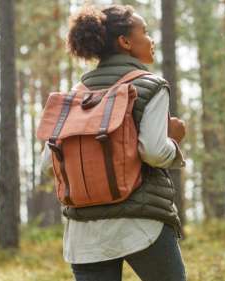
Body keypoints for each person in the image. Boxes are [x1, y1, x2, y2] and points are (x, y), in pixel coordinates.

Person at [41, 4, 187, 281]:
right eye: (144, 32)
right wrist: (174, 139)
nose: (151, 39)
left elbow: (47, 164)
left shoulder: (75, 96)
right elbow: (154, 152)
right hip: (142, 225)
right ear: (125, 42)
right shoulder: (150, 85)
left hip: (85, 234)